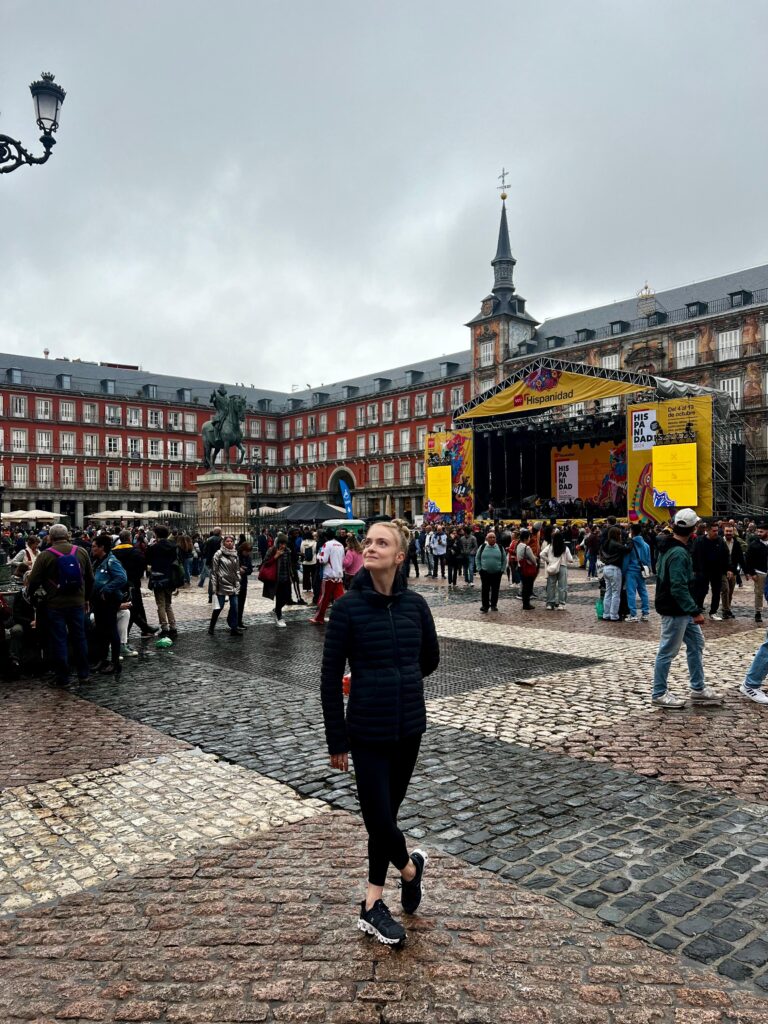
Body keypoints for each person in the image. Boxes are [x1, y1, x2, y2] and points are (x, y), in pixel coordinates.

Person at [321, 519, 440, 946]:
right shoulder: (348, 609)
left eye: (381, 542)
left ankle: (372, 904)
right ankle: (410, 870)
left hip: (409, 727)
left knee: (385, 819)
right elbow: (329, 676)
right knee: (377, 817)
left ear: (400, 555)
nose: (370, 547)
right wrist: (337, 738)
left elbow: (429, 659)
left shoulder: (417, 606)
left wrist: (400, 677)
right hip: (366, 729)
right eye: (368, 541)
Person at [652, 508, 720, 708]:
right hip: (675, 609)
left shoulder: (668, 546)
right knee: (667, 651)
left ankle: (698, 688)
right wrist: (695, 611)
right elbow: (678, 587)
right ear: (693, 529)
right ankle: (659, 693)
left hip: (678, 608)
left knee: (697, 643)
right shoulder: (679, 553)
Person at [27, 522, 94, 686]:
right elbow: (91, 579)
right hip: (77, 602)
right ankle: (84, 675)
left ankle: (63, 678)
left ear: (50, 537)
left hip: (55, 604)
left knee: (59, 640)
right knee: (79, 638)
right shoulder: (81, 551)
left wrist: (30, 594)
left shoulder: (45, 555)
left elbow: (34, 580)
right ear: (68, 535)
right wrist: (86, 598)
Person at [90, 534, 129, 677]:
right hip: (99, 601)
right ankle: (103, 659)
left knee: (111, 631)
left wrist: (106, 588)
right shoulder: (98, 561)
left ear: (102, 548)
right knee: (101, 631)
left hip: (109, 601)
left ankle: (115, 663)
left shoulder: (111, 561)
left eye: (94, 546)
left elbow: (122, 577)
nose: (92, 549)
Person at [112, 530, 158, 639]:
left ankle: (144, 628)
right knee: (135, 606)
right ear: (129, 538)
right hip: (133, 582)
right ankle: (134, 631)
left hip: (118, 584)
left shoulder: (113, 552)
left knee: (132, 607)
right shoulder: (135, 552)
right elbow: (142, 566)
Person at [145, 525, 183, 639]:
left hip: (158, 579)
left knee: (160, 604)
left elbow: (148, 561)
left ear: (156, 534)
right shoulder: (174, 546)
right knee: (168, 604)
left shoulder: (153, 548)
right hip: (170, 578)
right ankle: (173, 627)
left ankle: (164, 628)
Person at [692, 521, 729, 622]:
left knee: (716, 592)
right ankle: (698, 609)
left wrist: (726, 569)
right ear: (707, 530)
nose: (716, 532)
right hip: (702, 571)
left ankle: (713, 611)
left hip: (717, 571)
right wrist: (695, 569)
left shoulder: (720, 541)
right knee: (701, 591)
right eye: (713, 531)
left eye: (717, 530)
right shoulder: (699, 541)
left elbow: (726, 555)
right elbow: (694, 555)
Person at [209, 535, 243, 636]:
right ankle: (212, 626)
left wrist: (238, 581)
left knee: (235, 606)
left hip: (233, 583)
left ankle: (234, 628)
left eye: (231, 541)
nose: (229, 543)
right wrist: (214, 587)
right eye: (227, 541)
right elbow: (214, 571)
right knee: (219, 607)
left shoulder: (235, 554)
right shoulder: (218, 554)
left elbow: (237, 569)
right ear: (224, 543)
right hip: (221, 584)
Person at [310, 528, 345, 625]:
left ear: (326, 537)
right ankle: (345, 617)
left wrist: (318, 556)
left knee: (324, 598)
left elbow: (323, 560)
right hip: (338, 575)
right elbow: (343, 560)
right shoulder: (341, 545)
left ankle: (318, 618)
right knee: (340, 598)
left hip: (329, 575)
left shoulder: (327, 544)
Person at [261, 532, 293, 628]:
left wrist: (292, 574)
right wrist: (275, 556)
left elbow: (289, 564)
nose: (283, 545)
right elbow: (265, 563)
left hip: (286, 578)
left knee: (287, 597)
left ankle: (275, 611)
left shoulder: (288, 551)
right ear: (278, 543)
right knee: (279, 598)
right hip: (276, 579)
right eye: (281, 543)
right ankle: (279, 617)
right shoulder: (271, 550)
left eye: (285, 543)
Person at [600, 526, 631, 622]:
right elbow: (627, 549)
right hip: (614, 569)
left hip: (606, 568)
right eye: (620, 534)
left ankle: (606, 614)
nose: (621, 536)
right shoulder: (615, 544)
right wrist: (630, 539)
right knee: (616, 593)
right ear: (616, 535)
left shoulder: (606, 543)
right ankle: (614, 615)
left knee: (608, 592)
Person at [624, 523, 651, 623]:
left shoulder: (630, 544)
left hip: (631, 570)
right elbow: (648, 560)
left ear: (632, 531)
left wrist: (624, 571)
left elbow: (626, 560)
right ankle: (645, 613)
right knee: (643, 592)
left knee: (631, 592)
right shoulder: (646, 545)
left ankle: (633, 614)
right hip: (642, 570)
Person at [541, 530, 573, 611]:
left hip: (552, 567)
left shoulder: (550, 546)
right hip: (562, 567)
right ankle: (561, 604)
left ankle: (550, 603)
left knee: (551, 586)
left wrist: (548, 560)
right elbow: (570, 559)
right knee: (562, 586)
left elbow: (541, 554)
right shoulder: (565, 548)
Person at [721, 524, 746, 621]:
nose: (728, 533)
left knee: (730, 591)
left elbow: (740, 557)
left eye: (730, 531)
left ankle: (728, 608)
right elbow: (719, 559)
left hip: (734, 571)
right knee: (725, 590)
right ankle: (725, 610)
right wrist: (727, 570)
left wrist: (746, 571)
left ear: (733, 532)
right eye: (727, 531)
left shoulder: (736, 543)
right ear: (724, 531)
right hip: (722, 571)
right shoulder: (719, 542)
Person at [476, 530, 505, 612]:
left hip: (497, 573)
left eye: (494, 537)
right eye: (490, 537)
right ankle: (485, 606)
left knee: (495, 589)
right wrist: (479, 569)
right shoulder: (482, 547)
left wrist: (502, 570)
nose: (492, 539)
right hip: (485, 572)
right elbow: (477, 558)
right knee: (485, 589)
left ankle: (493, 605)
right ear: (487, 539)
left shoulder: (500, 547)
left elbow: (504, 560)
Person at [745, 523, 768, 624]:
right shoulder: (754, 544)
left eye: (761, 531)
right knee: (759, 593)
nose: (759, 533)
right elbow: (748, 560)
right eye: (758, 531)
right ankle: (758, 613)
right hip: (759, 572)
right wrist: (752, 572)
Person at [516, 528, 538, 610]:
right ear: (525, 538)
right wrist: (535, 561)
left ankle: (525, 603)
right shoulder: (526, 547)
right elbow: (533, 559)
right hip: (527, 568)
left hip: (520, 567)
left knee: (524, 585)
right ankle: (526, 603)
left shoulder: (518, 545)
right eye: (529, 537)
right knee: (528, 586)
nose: (529, 539)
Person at [237, 541, 254, 629]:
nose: (247, 553)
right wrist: (239, 569)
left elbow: (250, 570)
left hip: (243, 583)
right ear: (242, 550)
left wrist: (244, 570)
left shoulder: (248, 558)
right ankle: (233, 621)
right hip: (235, 583)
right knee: (235, 603)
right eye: (246, 551)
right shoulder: (236, 556)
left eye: (249, 552)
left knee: (241, 603)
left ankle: (239, 621)